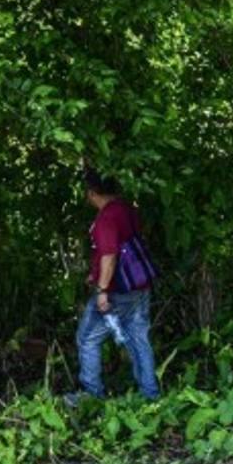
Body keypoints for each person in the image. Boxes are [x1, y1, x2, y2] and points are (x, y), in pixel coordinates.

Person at [67, 170, 159, 404]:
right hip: (140, 284)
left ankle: (91, 395)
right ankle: (150, 396)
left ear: (92, 193)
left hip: (117, 290)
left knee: (87, 339)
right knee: (139, 339)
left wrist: (102, 290)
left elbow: (110, 254)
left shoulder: (106, 218)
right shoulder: (127, 209)